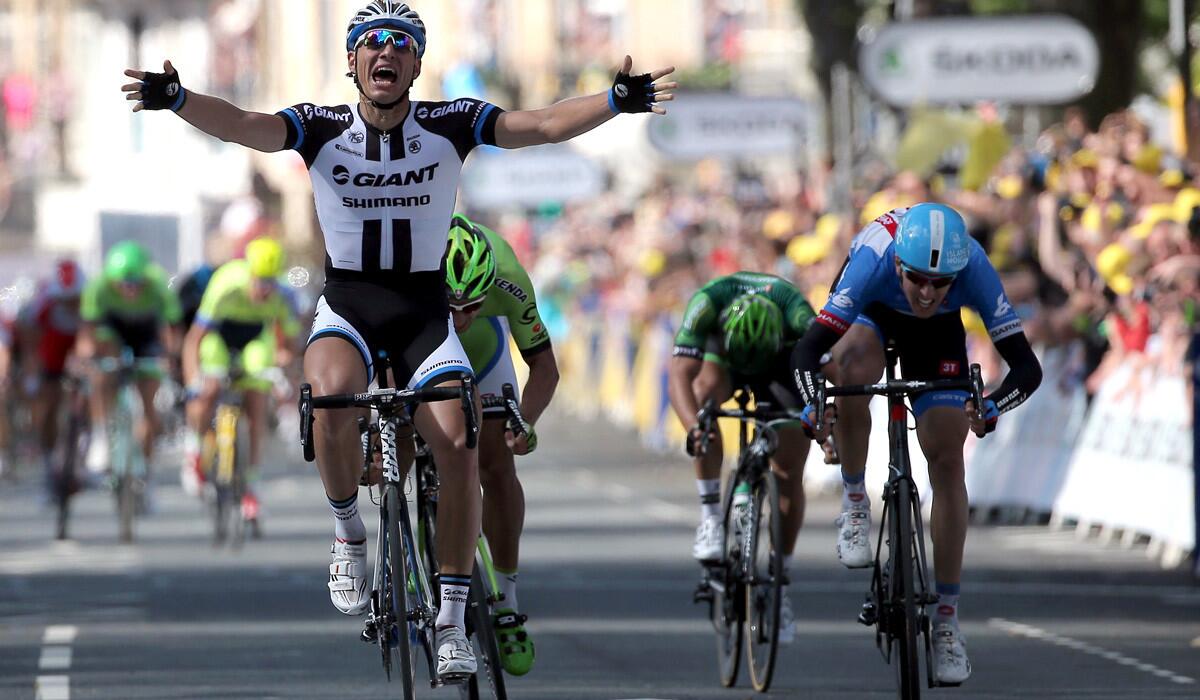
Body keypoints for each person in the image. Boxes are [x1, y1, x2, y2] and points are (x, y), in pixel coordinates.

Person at [121, 0, 675, 679]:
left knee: (462, 445)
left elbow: (541, 124)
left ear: (415, 61)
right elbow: (243, 125)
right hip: (348, 307)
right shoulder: (320, 127)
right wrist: (178, 99)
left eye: (401, 43)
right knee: (328, 399)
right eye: (371, 43)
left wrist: (616, 101)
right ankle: (349, 533)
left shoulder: (450, 121)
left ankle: (449, 620)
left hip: (423, 315)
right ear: (351, 61)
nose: (386, 52)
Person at [790, 203, 1043, 684]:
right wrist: (814, 405)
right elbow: (808, 351)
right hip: (873, 314)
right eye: (918, 279)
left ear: (957, 272)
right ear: (900, 266)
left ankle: (946, 621)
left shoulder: (972, 265)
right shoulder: (875, 258)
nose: (927, 292)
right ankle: (856, 501)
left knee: (948, 462)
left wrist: (991, 406)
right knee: (847, 371)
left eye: (940, 283)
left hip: (939, 337)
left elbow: (1027, 368)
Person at [667, 272, 825, 645]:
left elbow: (824, 366)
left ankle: (780, 582)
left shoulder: (796, 311)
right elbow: (678, 376)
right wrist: (694, 429)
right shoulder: (707, 303)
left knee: (788, 471)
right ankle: (710, 517)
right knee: (704, 397)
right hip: (722, 358)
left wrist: (822, 418)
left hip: (780, 363)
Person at [443, 214, 557, 675]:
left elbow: (544, 368)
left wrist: (523, 421)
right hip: (420, 340)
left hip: (487, 351)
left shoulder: (509, 277)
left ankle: (506, 601)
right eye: (452, 305)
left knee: (496, 464)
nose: (460, 317)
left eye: (471, 305)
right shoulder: (409, 268)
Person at [181, 237, 301, 524]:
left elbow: (291, 343)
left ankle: (251, 485)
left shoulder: (284, 295)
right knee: (208, 389)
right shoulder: (225, 284)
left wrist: (284, 360)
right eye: (259, 281)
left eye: (270, 282)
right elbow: (194, 339)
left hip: (255, 339)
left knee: (257, 403)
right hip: (220, 337)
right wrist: (193, 381)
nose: (264, 289)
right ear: (249, 273)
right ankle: (194, 449)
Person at [78, 242, 182, 493]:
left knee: (149, 406)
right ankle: (101, 435)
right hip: (114, 332)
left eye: (135, 284)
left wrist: (170, 356)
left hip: (146, 335)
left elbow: (172, 329)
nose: (130, 290)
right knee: (102, 369)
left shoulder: (158, 285)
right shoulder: (98, 288)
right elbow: (87, 332)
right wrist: (86, 356)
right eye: (123, 285)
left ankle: (145, 471)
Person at [15, 260, 85, 495]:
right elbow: (30, 342)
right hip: (51, 352)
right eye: (64, 298)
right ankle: (48, 462)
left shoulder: (88, 302)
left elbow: (95, 338)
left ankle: (87, 448)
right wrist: (32, 373)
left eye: (73, 297)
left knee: (87, 394)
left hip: (79, 350)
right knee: (48, 406)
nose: (68, 302)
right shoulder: (45, 304)